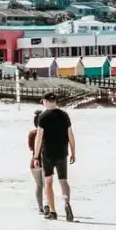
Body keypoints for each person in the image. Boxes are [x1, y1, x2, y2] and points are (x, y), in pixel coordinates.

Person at [32, 92, 76, 221]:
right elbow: (71, 135)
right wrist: (73, 151)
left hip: (48, 153)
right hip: (62, 151)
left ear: (46, 101)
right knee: (63, 180)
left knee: (49, 181)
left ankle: (52, 211)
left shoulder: (43, 117)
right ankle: (66, 202)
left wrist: (36, 156)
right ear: (56, 101)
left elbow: (39, 138)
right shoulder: (64, 115)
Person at [27, 109, 45, 213]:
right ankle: (48, 207)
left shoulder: (32, 133)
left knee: (39, 186)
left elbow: (30, 147)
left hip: (34, 161)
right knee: (47, 186)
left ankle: (40, 208)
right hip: (46, 161)